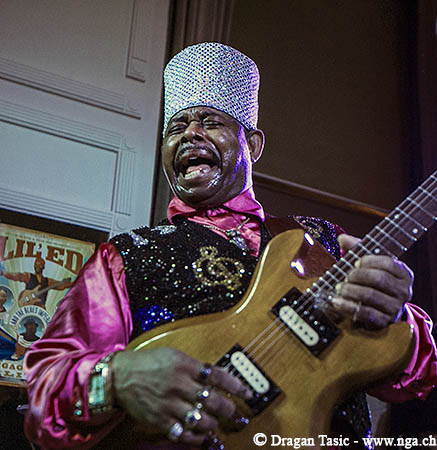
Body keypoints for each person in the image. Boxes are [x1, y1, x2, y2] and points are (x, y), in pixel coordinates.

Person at [23, 42, 437, 449]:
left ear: (251, 146)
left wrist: (395, 315)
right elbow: (44, 394)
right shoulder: (123, 257)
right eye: (176, 128)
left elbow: (418, 376)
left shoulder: (322, 241)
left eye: (210, 122)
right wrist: (114, 380)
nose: (191, 134)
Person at [0, 257, 72, 309]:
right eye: (36, 264)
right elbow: (17, 276)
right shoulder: (28, 276)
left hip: (41, 308)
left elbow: (62, 285)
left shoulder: (48, 281)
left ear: (43, 267)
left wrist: (76, 283)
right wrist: (4, 274)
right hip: (28, 306)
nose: (37, 266)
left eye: (40, 264)